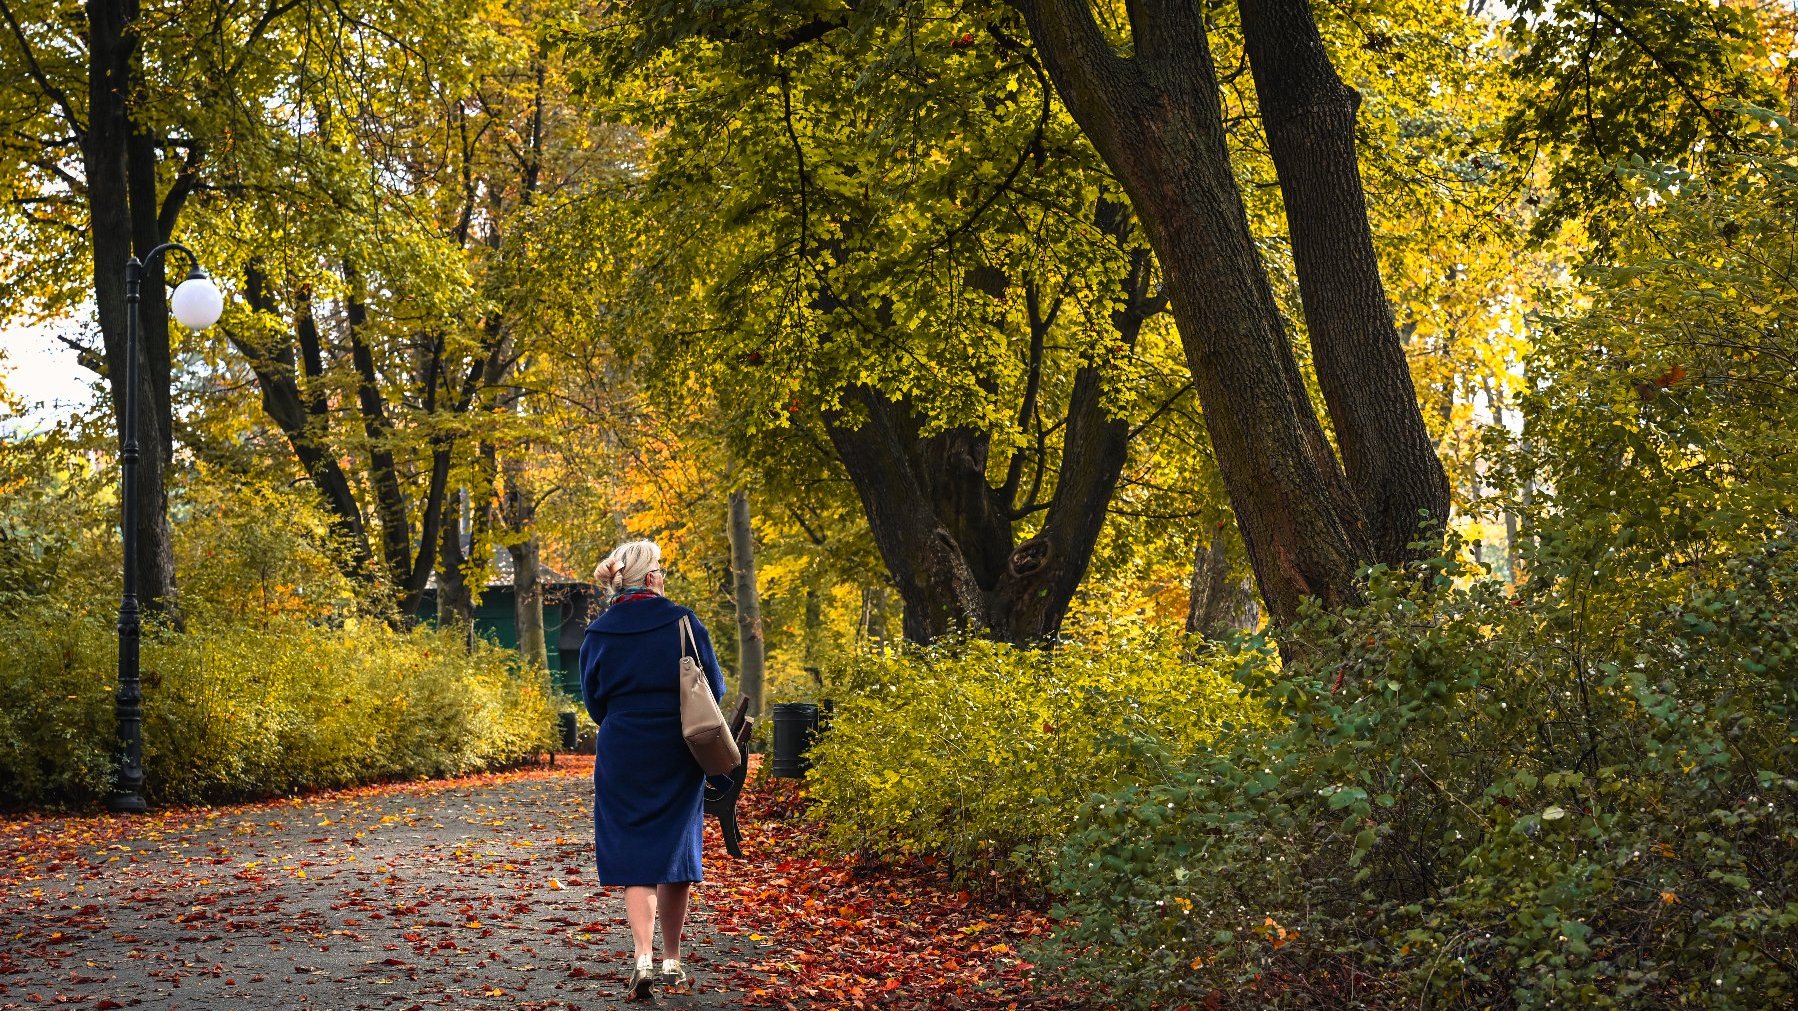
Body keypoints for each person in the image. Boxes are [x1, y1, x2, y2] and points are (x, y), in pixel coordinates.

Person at [578, 539, 728, 1001]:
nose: (663, 574)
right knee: (674, 850)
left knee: (633, 849)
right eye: (660, 568)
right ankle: (672, 961)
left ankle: (641, 956)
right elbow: (715, 688)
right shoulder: (683, 621)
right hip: (676, 748)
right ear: (649, 578)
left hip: (622, 749)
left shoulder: (599, 632)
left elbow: (593, 703)